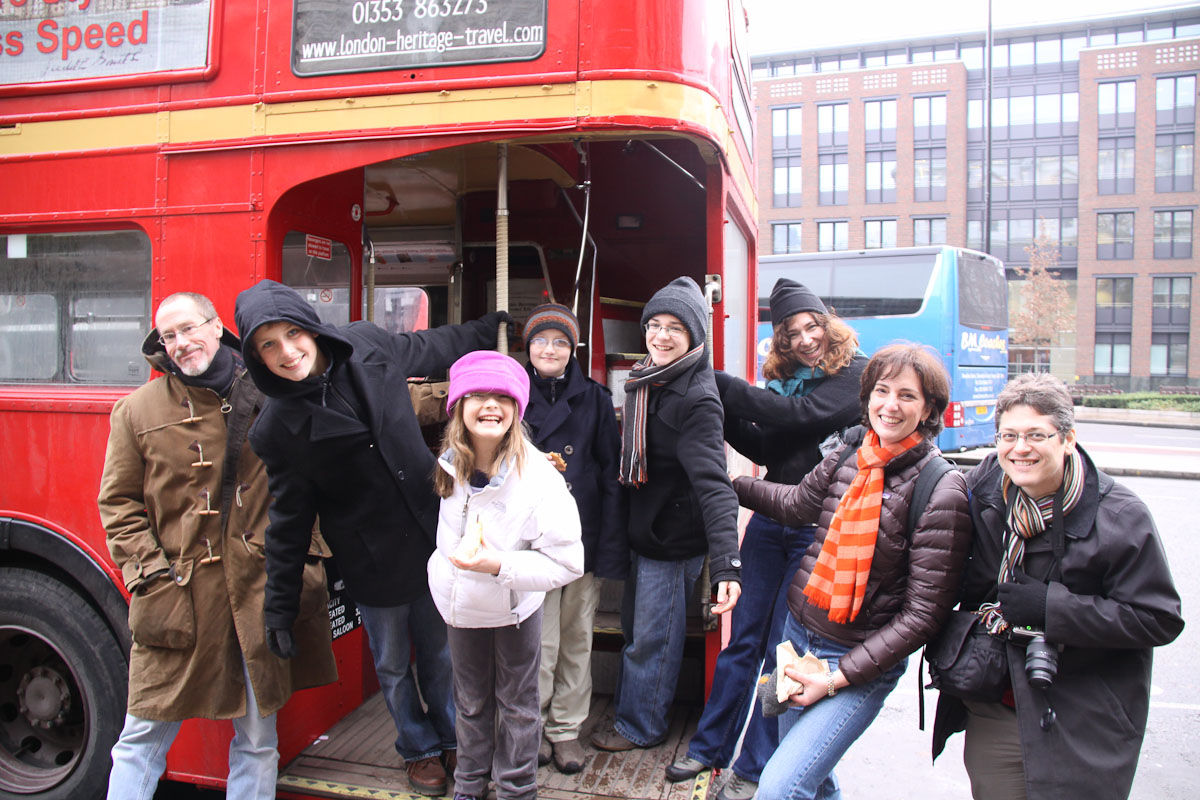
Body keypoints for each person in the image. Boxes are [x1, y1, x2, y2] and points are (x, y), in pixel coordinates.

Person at [234, 279, 510, 797]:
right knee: (391, 663)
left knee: (440, 654)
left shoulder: (366, 343)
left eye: (292, 334)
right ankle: (417, 748)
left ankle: (453, 737)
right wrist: (279, 610)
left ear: (311, 329)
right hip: (370, 556)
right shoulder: (276, 429)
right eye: (268, 345)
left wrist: (485, 328)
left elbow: (429, 346)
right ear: (256, 357)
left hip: (431, 534)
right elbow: (288, 522)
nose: (287, 352)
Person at [99, 292, 337, 800]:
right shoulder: (136, 411)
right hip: (178, 599)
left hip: (258, 595)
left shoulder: (274, 390)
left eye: (189, 328)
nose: (181, 343)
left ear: (216, 327)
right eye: (169, 336)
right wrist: (152, 577)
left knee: (258, 741)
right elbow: (118, 504)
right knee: (139, 741)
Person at [733, 343, 972, 800]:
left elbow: (922, 616)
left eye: (907, 395)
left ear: (929, 409)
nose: (890, 405)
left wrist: (835, 678)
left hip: (855, 663)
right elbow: (797, 504)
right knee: (814, 781)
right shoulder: (851, 453)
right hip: (798, 640)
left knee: (779, 788)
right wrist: (729, 485)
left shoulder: (941, 488)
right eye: (882, 391)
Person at [932, 373, 1184, 800]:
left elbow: (1158, 618)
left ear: (1067, 439)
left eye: (1036, 435)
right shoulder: (985, 490)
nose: (1020, 448)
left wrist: (1052, 609)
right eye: (1008, 435)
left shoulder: (1119, 516)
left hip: (1082, 713)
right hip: (997, 703)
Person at [667, 279, 868, 800]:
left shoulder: (856, 375)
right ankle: (709, 748)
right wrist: (715, 405)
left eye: (812, 326)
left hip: (818, 529)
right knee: (743, 641)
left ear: (828, 324)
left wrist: (715, 380)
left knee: (784, 652)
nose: (805, 339)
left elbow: (800, 417)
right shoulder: (785, 383)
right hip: (769, 522)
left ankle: (754, 767)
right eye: (791, 333)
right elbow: (766, 445)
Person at [590, 276, 743, 753]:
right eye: (654, 325)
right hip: (646, 531)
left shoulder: (696, 397)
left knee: (652, 640)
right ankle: (635, 710)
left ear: (693, 336)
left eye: (674, 327)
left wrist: (727, 565)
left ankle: (641, 726)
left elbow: (715, 484)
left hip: (672, 540)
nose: (660, 335)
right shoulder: (648, 379)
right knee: (637, 632)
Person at [427, 350, 584, 800]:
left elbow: (568, 561)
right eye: (478, 395)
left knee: (518, 705)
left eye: (502, 397)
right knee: (470, 702)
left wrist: (499, 566)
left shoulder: (539, 477)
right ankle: (469, 786)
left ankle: (516, 789)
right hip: (461, 609)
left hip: (515, 610)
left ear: (517, 409)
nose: (490, 405)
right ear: (458, 406)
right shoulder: (448, 466)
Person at [519, 304, 626, 774]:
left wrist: (609, 547)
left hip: (580, 538)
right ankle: (534, 727)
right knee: (538, 642)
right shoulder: (511, 394)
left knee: (578, 638)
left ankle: (565, 732)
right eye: (541, 340)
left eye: (560, 342)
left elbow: (611, 476)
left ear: (573, 348)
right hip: (530, 541)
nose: (550, 349)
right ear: (528, 347)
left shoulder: (596, 400)